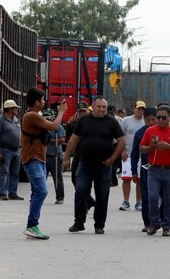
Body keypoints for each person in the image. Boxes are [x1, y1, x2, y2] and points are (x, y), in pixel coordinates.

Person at [63, 96, 125, 235]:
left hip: (103, 166)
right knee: (80, 191)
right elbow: (73, 139)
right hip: (85, 164)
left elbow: (121, 141)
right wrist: (66, 158)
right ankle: (79, 223)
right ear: (93, 107)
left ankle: (99, 225)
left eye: (104, 107)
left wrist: (112, 159)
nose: (102, 109)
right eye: (99, 106)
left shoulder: (112, 122)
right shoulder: (83, 121)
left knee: (102, 195)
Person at [21, 88, 67, 239]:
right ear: (36, 102)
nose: (44, 102)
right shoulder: (31, 115)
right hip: (33, 158)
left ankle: (32, 226)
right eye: (42, 100)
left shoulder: (36, 115)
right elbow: (54, 127)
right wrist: (60, 112)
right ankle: (32, 225)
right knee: (42, 190)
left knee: (36, 192)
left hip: (39, 158)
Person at [140, 105, 170, 237]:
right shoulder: (150, 131)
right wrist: (151, 147)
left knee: (169, 200)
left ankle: (166, 226)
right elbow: (141, 148)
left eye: (163, 118)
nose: (160, 120)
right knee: (152, 197)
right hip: (154, 170)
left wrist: (168, 146)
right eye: (158, 117)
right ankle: (154, 223)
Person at [131, 107, 158, 232]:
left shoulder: (163, 131)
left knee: (161, 196)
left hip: (161, 168)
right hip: (146, 169)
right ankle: (148, 223)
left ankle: (161, 221)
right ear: (144, 119)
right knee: (146, 197)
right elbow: (135, 154)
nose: (151, 123)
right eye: (148, 120)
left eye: (154, 119)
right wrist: (134, 171)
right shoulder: (140, 133)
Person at [65, 101, 95, 210]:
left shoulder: (92, 121)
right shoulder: (75, 122)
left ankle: (85, 203)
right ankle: (89, 200)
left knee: (86, 181)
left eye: (84, 111)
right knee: (74, 179)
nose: (82, 113)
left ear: (87, 110)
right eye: (80, 111)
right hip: (77, 154)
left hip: (88, 155)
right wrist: (69, 124)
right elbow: (69, 139)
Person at [0, 100, 23, 200]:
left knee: (15, 173)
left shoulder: (15, 119)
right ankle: (2, 193)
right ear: (10, 109)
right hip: (5, 150)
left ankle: (13, 193)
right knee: (4, 172)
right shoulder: (0, 120)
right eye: (15, 108)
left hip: (16, 150)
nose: (17, 110)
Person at [120, 100, 146, 211]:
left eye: (142, 109)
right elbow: (120, 137)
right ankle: (126, 201)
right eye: (138, 108)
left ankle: (138, 202)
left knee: (139, 180)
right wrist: (122, 151)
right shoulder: (126, 121)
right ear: (134, 109)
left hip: (141, 156)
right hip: (128, 155)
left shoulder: (146, 122)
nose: (139, 111)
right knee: (126, 179)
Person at [42, 109, 66, 204]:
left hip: (54, 156)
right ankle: (38, 195)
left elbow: (62, 140)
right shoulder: (42, 127)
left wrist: (50, 140)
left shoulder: (58, 127)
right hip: (43, 155)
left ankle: (60, 197)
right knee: (41, 177)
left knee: (57, 178)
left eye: (49, 119)